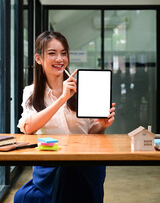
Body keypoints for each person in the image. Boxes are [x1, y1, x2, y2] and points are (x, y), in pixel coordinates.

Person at [14, 31, 116, 203]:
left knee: (71, 176)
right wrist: (62, 99)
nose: (60, 59)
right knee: (24, 197)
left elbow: (90, 132)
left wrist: (103, 125)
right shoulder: (30, 92)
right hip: (49, 163)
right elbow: (29, 128)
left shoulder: (83, 88)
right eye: (52, 53)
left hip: (84, 161)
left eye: (64, 53)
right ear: (38, 59)